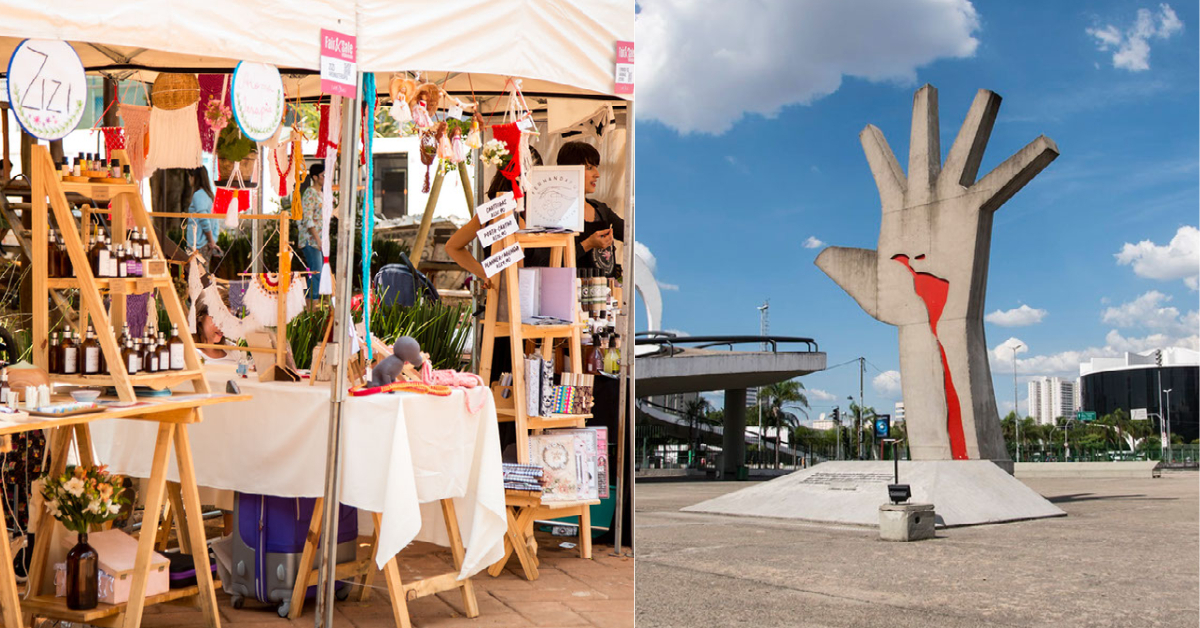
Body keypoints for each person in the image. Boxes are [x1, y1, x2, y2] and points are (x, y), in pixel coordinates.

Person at [556, 141, 624, 277]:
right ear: (570, 170)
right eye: (590, 168)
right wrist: (588, 244)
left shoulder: (601, 209)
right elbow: (548, 261)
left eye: (596, 167)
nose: (597, 174)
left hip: (604, 294)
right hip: (571, 292)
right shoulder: (556, 212)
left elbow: (629, 233)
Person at [298, 163, 325, 302]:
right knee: (316, 272)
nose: (325, 178)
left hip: (319, 239)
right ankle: (311, 304)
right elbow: (308, 219)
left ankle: (313, 302)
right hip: (311, 239)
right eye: (322, 175)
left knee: (318, 271)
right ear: (315, 177)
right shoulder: (310, 193)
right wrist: (318, 240)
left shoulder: (322, 193)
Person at [185, 167, 221, 259]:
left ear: (195, 177)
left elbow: (204, 219)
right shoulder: (208, 195)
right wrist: (212, 240)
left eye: (190, 177)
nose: (189, 179)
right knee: (203, 272)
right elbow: (214, 220)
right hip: (204, 243)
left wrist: (211, 240)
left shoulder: (199, 195)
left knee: (196, 272)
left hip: (197, 244)